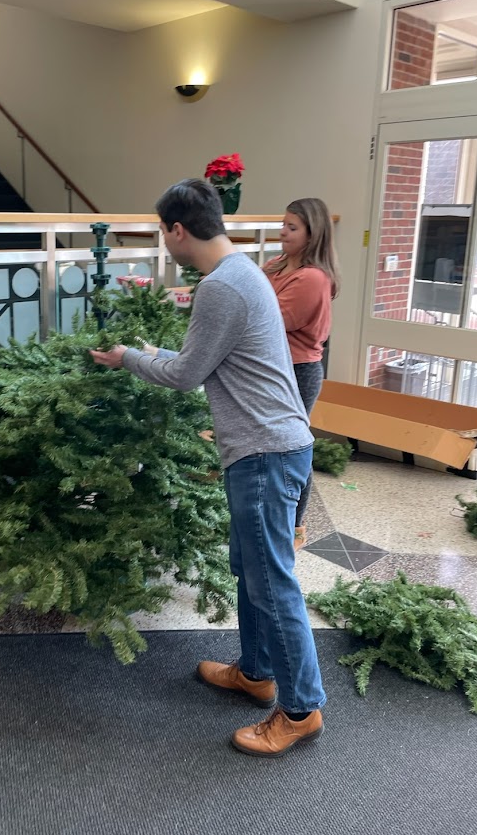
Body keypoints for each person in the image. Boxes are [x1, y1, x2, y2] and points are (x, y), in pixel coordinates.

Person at [90, 178, 326, 757]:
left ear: (176, 229)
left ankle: (300, 710)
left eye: (161, 232)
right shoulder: (242, 272)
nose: (163, 242)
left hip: (266, 451)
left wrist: (129, 359)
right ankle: (256, 672)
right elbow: (201, 361)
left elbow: (184, 375)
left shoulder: (222, 287)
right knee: (252, 569)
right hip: (268, 447)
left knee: (273, 584)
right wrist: (149, 355)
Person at [264, 198, 341, 550]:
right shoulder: (277, 265)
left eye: (292, 227)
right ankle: (270, 515)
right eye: (284, 224)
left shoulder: (312, 278)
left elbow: (267, 321)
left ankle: (296, 526)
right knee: (270, 446)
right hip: (274, 367)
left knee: (293, 449)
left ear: (313, 234)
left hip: (298, 371)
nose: (282, 232)